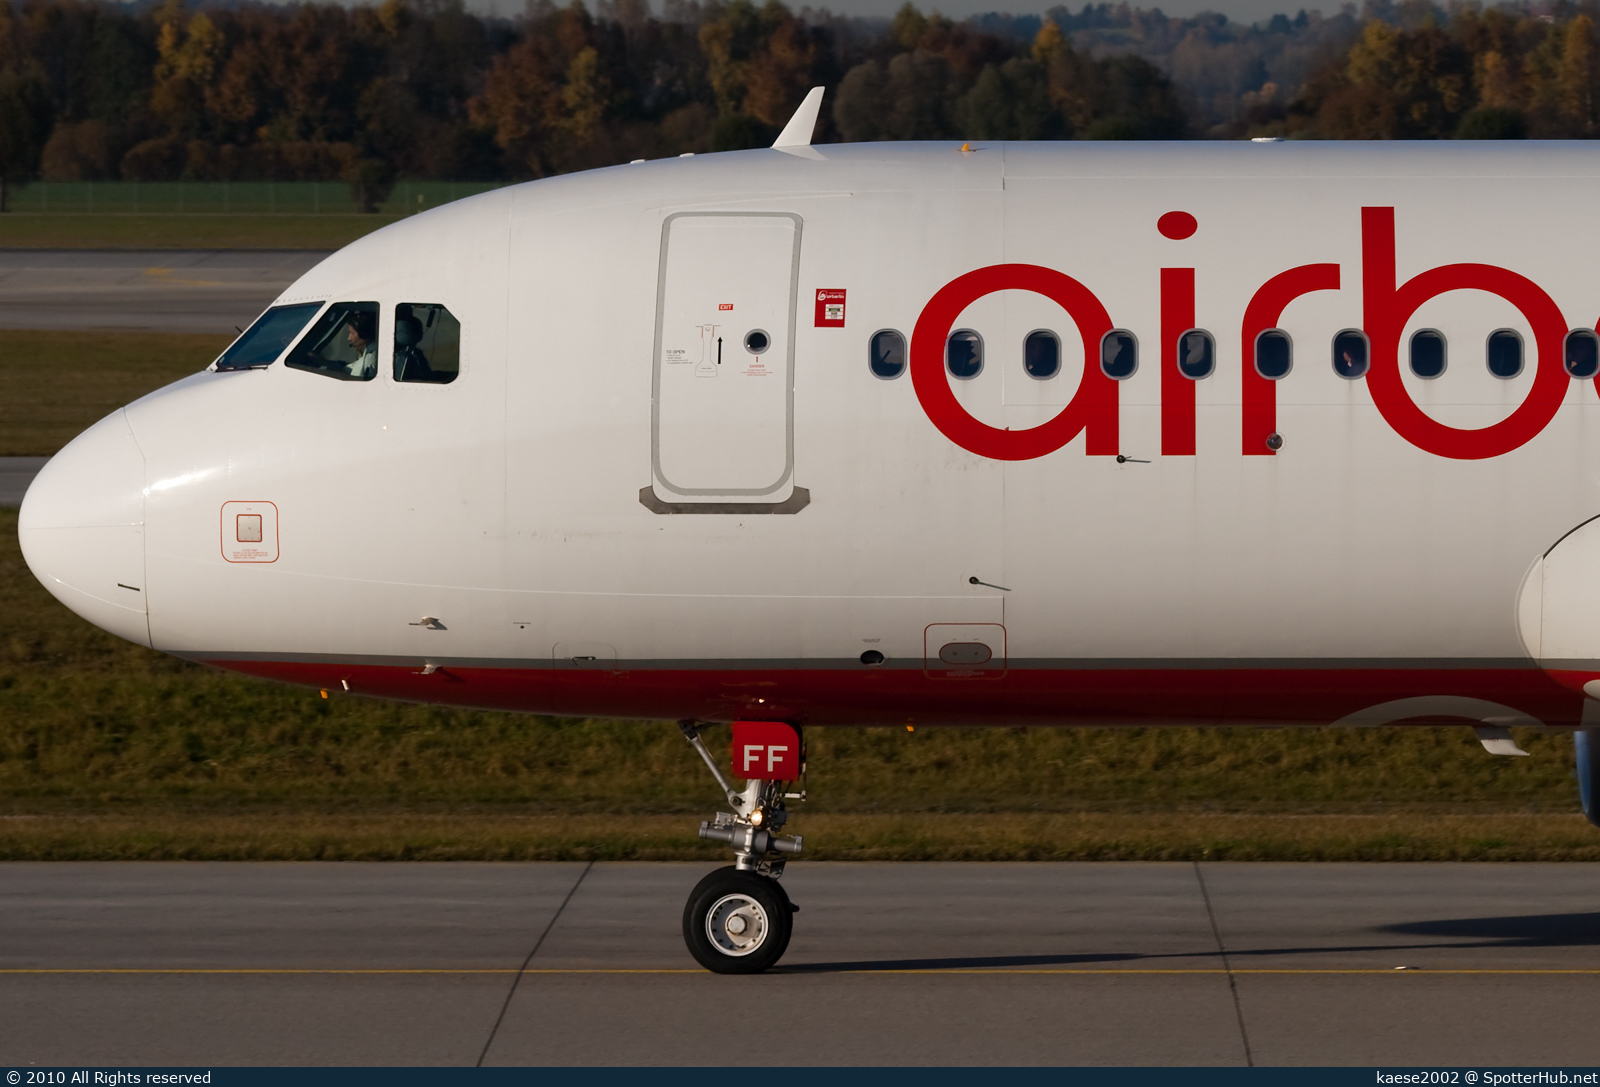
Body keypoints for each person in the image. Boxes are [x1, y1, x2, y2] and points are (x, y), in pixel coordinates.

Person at [344, 310, 378, 379]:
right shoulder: (368, 354)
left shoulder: (370, 361)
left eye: (351, 333)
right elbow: (350, 368)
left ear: (363, 334)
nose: (349, 338)